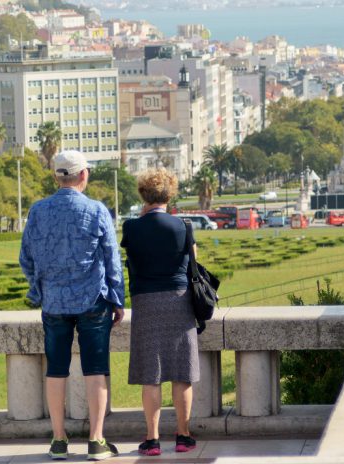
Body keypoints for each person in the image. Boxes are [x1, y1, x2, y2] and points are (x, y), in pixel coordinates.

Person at [19, 150, 125, 461]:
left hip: (53, 302)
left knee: (56, 370)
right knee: (96, 370)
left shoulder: (38, 211)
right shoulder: (96, 210)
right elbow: (112, 260)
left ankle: (59, 440)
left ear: (56, 176)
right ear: (83, 175)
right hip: (93, 300)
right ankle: (96, 440)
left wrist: (41, 287)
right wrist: (117, 299)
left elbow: (26, 258)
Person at [121, 168, 200, 457]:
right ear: (170, 194)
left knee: (151, 374)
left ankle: (152, 439)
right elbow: (194, 264)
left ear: (143, 195)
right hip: (179, 300)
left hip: (146, 302)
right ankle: (183, 435)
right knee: (181, 372)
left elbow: (133, 260)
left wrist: (143, 217)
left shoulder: (132, 228)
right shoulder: (183, 226)